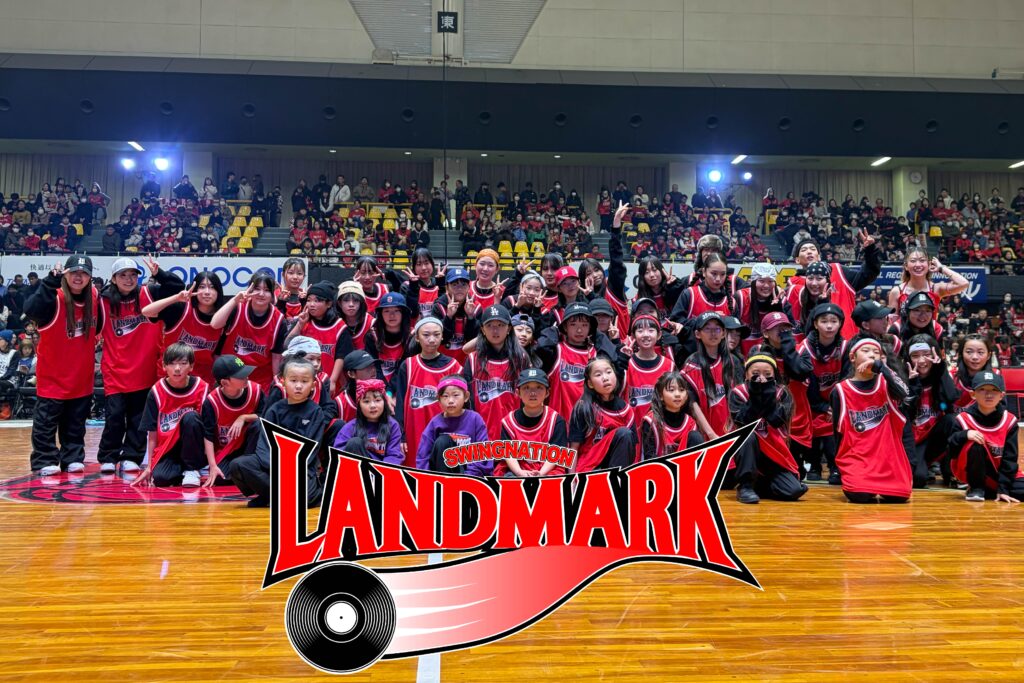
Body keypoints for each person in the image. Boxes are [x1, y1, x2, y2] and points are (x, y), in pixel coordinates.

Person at [25, 255, 99, 475]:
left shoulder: (94, 297)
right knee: (46, 424)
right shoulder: (53, 297)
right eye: (74, 272)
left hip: (81, 377)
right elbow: (31, 309)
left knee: (75, 424)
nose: (79, 277)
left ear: (90, 277)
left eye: (84, 273)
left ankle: (72, 457)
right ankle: (45, 459)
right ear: (65, 274)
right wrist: (49, 281)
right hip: (53, 377)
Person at [96, 258, 167, 474]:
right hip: (115, 369)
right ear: (113, 279)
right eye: (123, 275)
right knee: (114, 416)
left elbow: (177, 288)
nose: (128, 279)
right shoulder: (103, 302)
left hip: (145, 369)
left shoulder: (150, 294)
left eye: (133, 275)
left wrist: (160, 274)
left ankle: (131, 456)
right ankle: (108, 456)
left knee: (138, 418)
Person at [229, 356, 327, 508]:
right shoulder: (274, 410)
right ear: (283, 381)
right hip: (274, 467)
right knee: (239, 465)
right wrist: (278, 468)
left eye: (304, 381)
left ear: (313, 385)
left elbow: (310, 449)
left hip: (300, 469)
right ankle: (278, 495)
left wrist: (290, 469)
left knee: (306, 497)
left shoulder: (316, 412)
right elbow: (264, 446)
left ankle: (271, 495)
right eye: (293, 380)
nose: (298, 386)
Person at [832, 337, 912, 504]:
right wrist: (841, 466)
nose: (872, 355)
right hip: (858, 459)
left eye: (876, 353)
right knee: (860, 496)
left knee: (899, 497)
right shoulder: (840, 390)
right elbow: (838, 432)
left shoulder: (886, 383)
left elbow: (904, 393)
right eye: (866, 351)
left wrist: (882, 367)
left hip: (888, 459)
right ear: (852, 357)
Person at [729, 354, 807, 503]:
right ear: (746, 374)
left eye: (767, 374)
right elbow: (743, 421)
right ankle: (745, 486)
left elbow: (776, 420)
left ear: (774, 375)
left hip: (774, 451)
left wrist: (767, 393)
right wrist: (755, 394)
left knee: (793, 491)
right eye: (755, 373)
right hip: (749, 451)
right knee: (747, 435)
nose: (761, 377)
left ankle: (759, 486)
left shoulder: (782, 393)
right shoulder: (738, 393)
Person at [130, 343, 210, 488]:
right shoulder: (156, 391)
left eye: (183, 363)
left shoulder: (202, 387)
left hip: (195, 447)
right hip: (168, 448)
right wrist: (149, 467)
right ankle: (182, 471)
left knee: (190, 417)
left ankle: (191, 469)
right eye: (172, 364)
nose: (177, 368)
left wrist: (212, 463)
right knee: (161, 479)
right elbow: (152, 433)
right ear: (164, 366)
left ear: (191, 366)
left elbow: (209, 429)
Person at [390, 317, 462, 467]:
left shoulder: (454, 366)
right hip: (414, 429)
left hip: (445, 430)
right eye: (426, 335)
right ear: (417, 337)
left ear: (442, 336)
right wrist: (401, 435)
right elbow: (400, 404)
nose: (432, 339)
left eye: (436, 335)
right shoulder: (408, 365)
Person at [786, 233, 881, 339]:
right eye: (804, 250)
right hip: (815, 342)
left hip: (848, 340)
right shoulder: (793, 284)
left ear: (819, 256)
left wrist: (870, 250)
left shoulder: (839, 270)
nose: (809, 251)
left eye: (812, 249)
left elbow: (868, 274)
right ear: (797, 260)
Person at [948, 371, 1022, 503]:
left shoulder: (1009, 421)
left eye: (994, 390)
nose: (988, 394)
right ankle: (976, 488)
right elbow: (951, 451)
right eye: (982, 389)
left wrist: (1003, 489)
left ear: (1001, 395)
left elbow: (1010, 459)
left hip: (1000, 474)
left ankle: (992, 491)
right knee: (975, 442)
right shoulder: (963, 419)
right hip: (974, 473)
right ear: (973, 394)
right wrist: (964, 435)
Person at [141, 270, 225, 386]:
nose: (207, 292)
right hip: (171, 375)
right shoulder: (181, 308)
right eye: (202, 287)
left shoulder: (223, 317)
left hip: (202, 380)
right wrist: (176, 298)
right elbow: (146, 312)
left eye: (212, 287)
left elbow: (218, 354)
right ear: (194, 290)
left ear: (218, 291)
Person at [460, 304, 528, 440]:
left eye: (500, 325)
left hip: (513, 431)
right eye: (489, 325)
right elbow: (466, 401)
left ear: (509, 329)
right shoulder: (473, 359)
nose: (495, 330)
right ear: (482, 330)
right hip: (480, 432)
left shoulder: (521, 358)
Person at [211, 270, 287, 390]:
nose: (261, 294)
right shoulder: (238, 307)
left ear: (273, 294)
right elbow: (215, 324)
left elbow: (276, 357)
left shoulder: (279, 320)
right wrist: (235, 300)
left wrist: (277, 385)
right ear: (249, 290)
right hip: (232, 372)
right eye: (257, 289)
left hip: (261, 376)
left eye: (267, 290)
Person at [903, 334, 959, 488]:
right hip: (913, 440)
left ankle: (948, 469)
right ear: (908, 359)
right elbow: (905, 412)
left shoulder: (940, 375)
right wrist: (913, 384)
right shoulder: (902, 378)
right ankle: (924, 464)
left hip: (935, 435)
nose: (922, 361)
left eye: (926, 355)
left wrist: (941, 369)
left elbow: (951, 398)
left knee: (952, 420)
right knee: (918, 479)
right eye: (915, 356)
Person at [201, 355, 264, 487]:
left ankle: (253, 466)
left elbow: (267, 417)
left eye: (246, 373)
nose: (247, 377)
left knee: (258, 424)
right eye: (241, 376)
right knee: (220, 479)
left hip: (250, 449)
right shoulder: (211, 402)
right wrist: (212, 466)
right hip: (227, 450)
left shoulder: (256, 390)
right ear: (225, 383)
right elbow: (208, 436)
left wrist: (244, 417)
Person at [494, 368, 569, 477]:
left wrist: (541, 473)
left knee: (555, 479)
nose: (533, 393)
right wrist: (519, 472)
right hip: (517, 470)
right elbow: (508, 454)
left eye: (539, 387)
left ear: (547, 392)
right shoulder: (508, 422)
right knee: (507, 477)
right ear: (518, 393)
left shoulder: (556, 420)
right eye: (526, 388)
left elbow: (556, 454)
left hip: (547, 470)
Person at [568, 356, 638, 472]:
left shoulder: (626, 410)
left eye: (609, 372)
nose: (605, 378)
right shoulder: (583, 408)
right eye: (598, 375)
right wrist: (571, 478)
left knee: (625, 434)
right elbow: (573, 448)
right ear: (590, 384)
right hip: (589, 468)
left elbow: (631, 450)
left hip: (615, 466)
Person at [415, 375, 491, 476]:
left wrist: (468, 476)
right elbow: (423, 456)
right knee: (443, 441)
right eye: (445, 396)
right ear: (439, 399)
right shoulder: (435, 423)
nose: (450, 400)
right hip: (440, 475)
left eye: (455, 395)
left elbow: (483, 452)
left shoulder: (475, 419)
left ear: (466, 397)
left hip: (469, 475)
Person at [619, 314, 675, 425]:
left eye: (651, 330)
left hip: (660, 427)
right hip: (631, 426)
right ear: (633, 336)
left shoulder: (669, 365)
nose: (645, 335)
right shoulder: (627, 363)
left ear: (659, 335)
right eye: (640, 331)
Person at [333, 378, 403, 465]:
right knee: (354, 443)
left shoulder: (392, 425)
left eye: (377, 400)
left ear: (384, 402)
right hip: (357, 470)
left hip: (381, 470)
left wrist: (380, 470)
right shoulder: (351, 427)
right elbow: (338, 453)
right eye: (366, 401)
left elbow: (394, 455)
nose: (373, 406)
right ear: (359, 405)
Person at [284, 281, 344, 379]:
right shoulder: (303, 321)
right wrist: (300, 324)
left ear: (329, 304)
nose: (311, 304)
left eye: (317, 301)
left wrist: (332, 381)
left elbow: (341, 357)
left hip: (328, 380)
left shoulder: (339, 325)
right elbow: (287, 345)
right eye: (309, 300)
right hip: (302, 379)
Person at [887, 247, 968, 319]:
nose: (918, 264)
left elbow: (963, 283)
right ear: (906, 266)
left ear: (929, 264)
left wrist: (941, 268)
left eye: (922, 260)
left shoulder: (936, 289)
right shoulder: (897, 291)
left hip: (931, 332)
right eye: (913, 261)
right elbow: (892, 324)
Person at [640, 371, 703, 460]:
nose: (677, 394)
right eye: (671, 390)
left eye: (681, 390)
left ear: (686, 396)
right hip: (659, 467)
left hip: (685, 467)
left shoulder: (690, 423)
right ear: (661, 395)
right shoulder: (651, 421)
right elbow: (649, 458)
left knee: (696, 437)